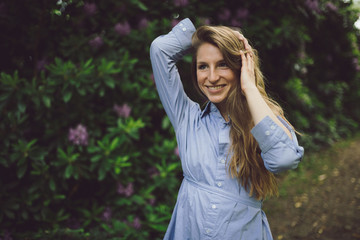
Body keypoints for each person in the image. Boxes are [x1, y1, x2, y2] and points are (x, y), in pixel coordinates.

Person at [150, 18, 304, 240]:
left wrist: (249, 89)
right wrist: (198, 37)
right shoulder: (187, 117)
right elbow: (160, 50)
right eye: (203, 66)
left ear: (240, 67)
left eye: (222, 64)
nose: (211, 78)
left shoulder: (262, 118)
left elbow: (285, 160)